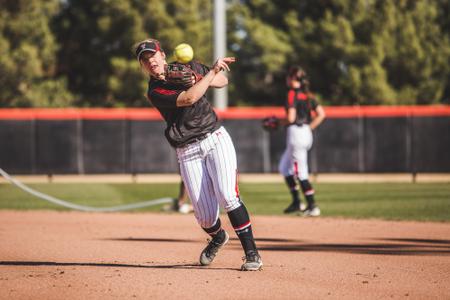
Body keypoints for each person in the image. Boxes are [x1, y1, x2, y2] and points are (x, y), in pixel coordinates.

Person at [134, 38, 262, 271]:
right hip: (187, 150)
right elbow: (188, 98)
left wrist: (204, 75)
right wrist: (206, 76)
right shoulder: (154, 90)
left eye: (152, 55)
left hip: (214, 137)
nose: (150, 61)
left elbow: (222, 81)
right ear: (143, 66)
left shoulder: (186, 66)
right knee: (204, 217)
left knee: (228, 196)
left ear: (162, 55)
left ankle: (252, 254)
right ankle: (218, 236)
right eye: (144, 59)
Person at [279, 66, 326, 216]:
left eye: (288, 77)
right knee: (284, 167)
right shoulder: (308, 94)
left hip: (296, 134)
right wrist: (309, 128)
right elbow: (321, 114)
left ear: (293, 79)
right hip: (305, 131)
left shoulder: (292, 94)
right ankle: (297, 202)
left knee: (301, 173)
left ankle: (312, 206)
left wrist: (278, 122)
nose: (287, 79)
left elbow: (291, 118)